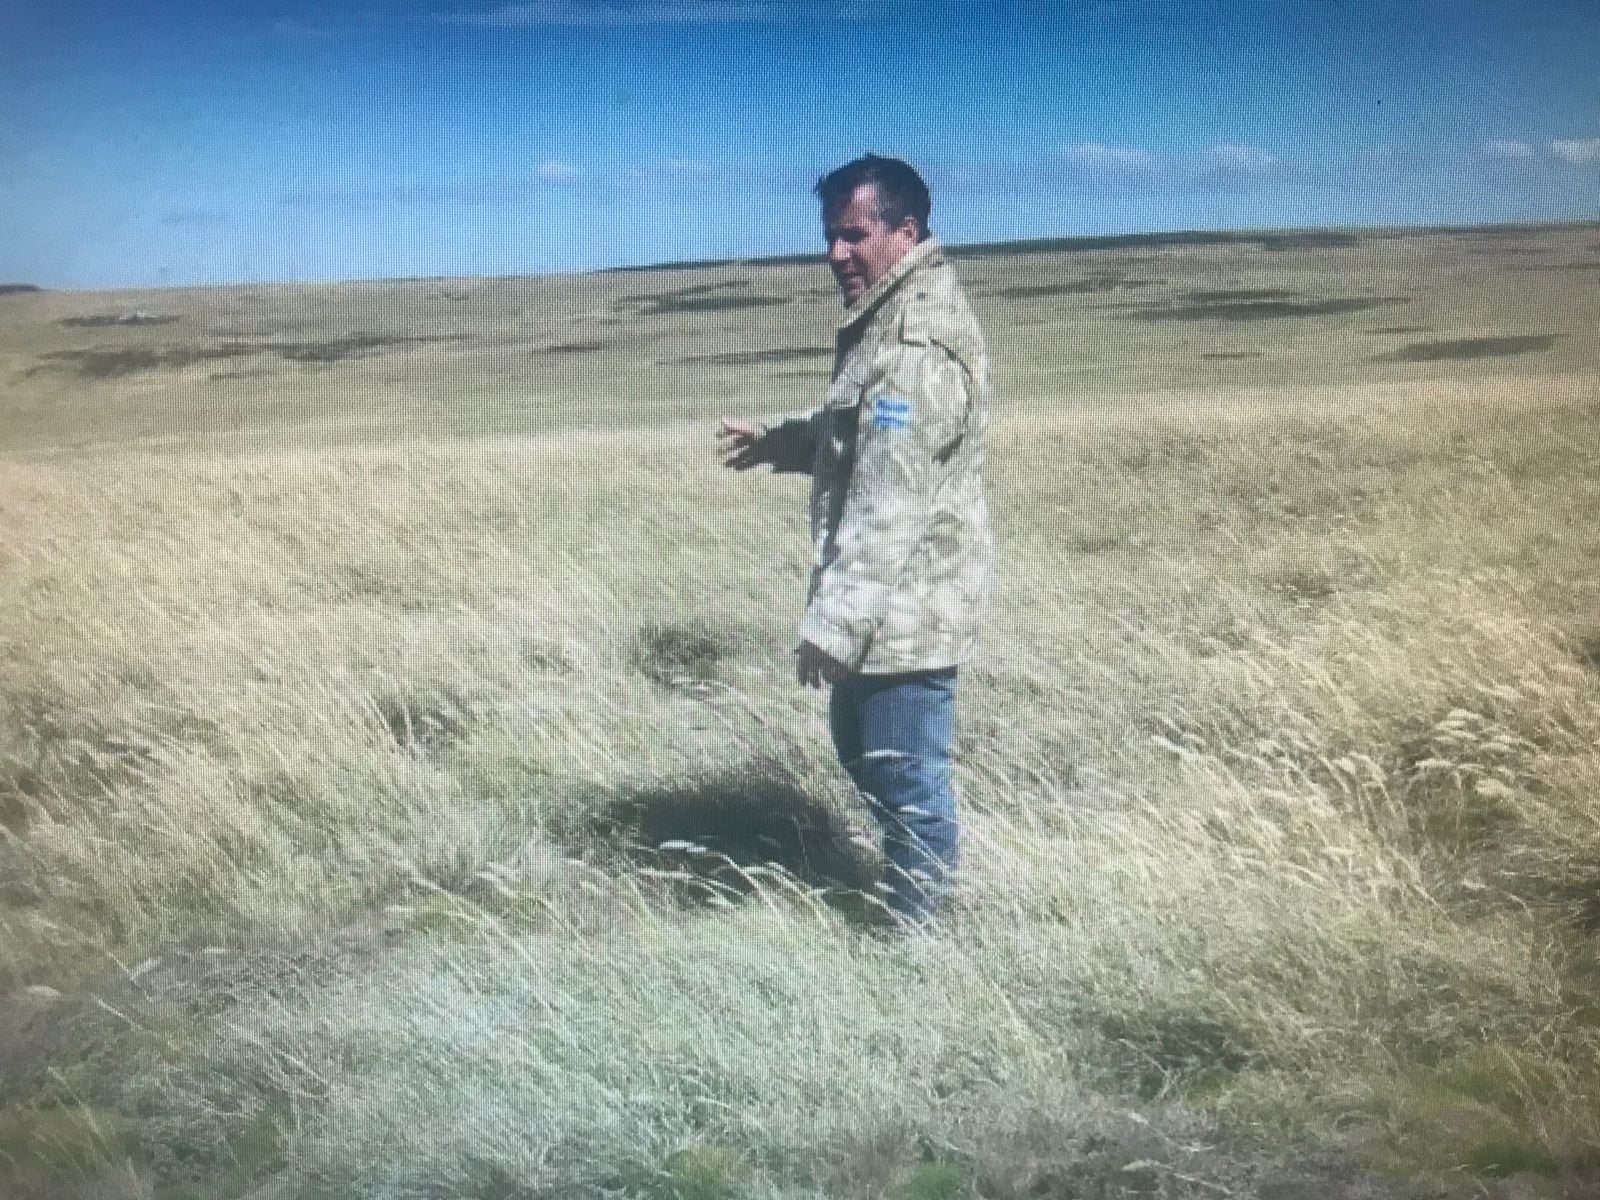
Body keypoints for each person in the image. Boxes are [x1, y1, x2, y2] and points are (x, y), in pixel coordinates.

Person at [717, 153, 994, 926]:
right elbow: (861, 441)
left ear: (905, 232)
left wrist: (832, 626)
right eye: (829, 237)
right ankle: (913, 907)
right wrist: (782, 442)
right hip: (889, 609)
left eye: (853, 236)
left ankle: (921, 946)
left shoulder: (913, 346)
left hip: (906, 613)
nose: (835, 255)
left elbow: (887, 502)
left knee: (906, 783)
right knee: (874, 768)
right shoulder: (888, 317)